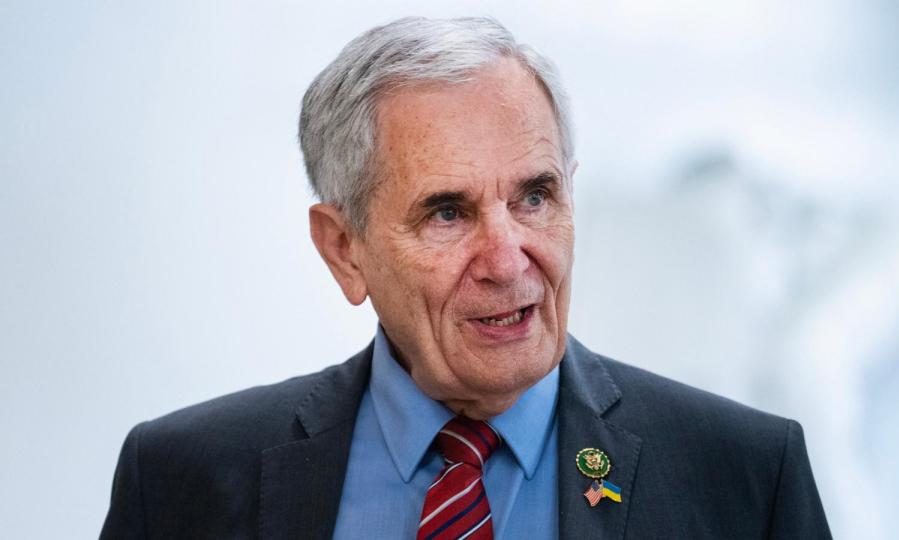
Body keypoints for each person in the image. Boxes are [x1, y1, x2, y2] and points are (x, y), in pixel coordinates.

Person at [100, 16, 831, 539]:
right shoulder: (178, 480)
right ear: (343, 248)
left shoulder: (744, 478)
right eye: (447, 212)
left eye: (535, 197)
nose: (509, 259)